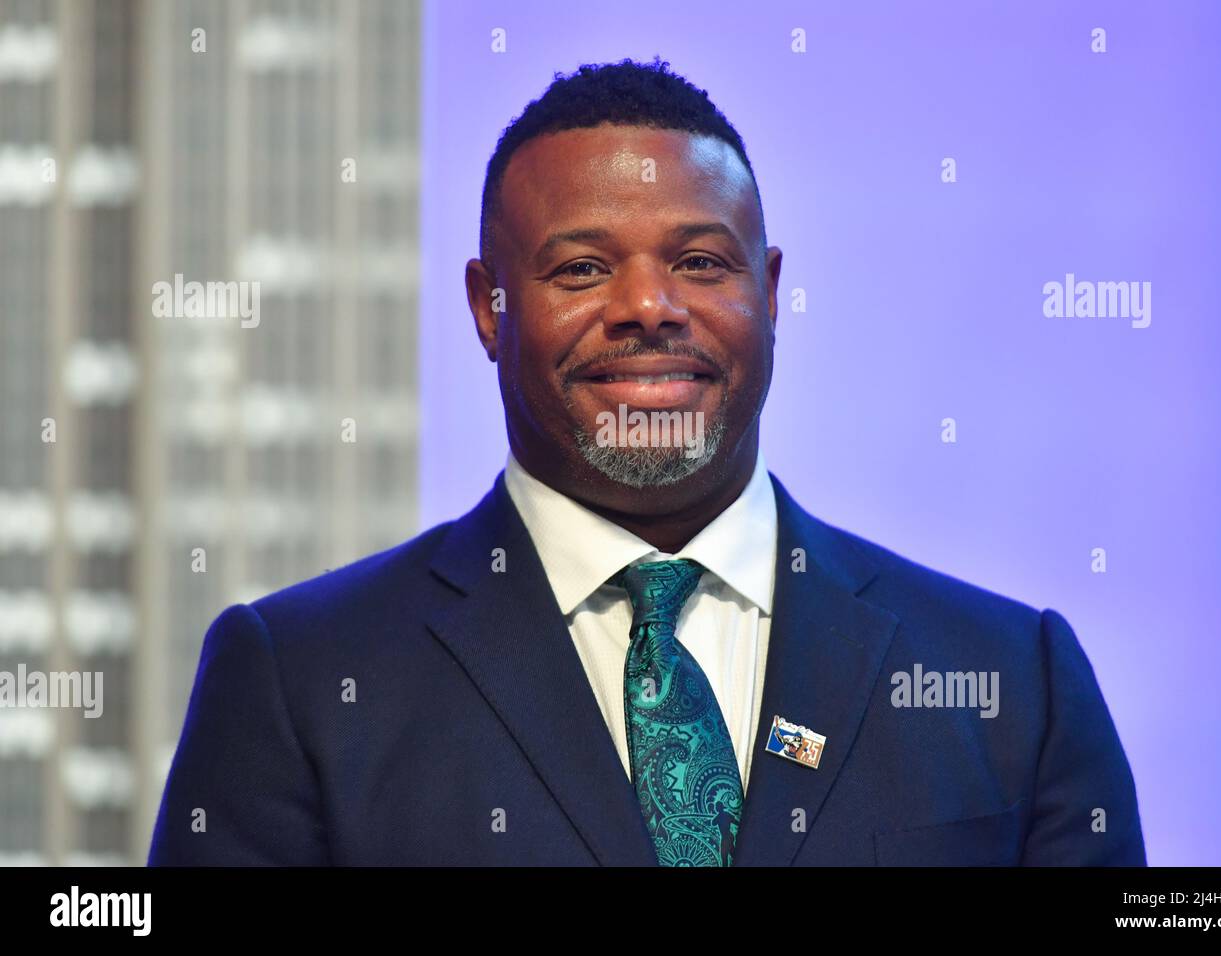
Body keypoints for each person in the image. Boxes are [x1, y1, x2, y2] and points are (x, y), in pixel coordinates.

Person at [149, 57, 1145, 866]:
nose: (648, 306)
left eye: (700, 264)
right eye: (581, 268)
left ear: (770, 291)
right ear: (488, 306)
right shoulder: (302, 681)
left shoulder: (1011, 679)